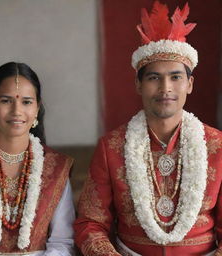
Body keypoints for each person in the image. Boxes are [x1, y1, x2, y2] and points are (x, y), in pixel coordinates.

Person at [74, 1, 222, 255]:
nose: (166, 88)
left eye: (175, 77)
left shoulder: (217, 145)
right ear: (139, 85)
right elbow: (90, 223)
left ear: (190, 84)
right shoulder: (111, 147)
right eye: (154, 77)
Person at [0, 62, 75, 255]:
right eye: (6, 101)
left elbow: (62, 241)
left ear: (37, 108)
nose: (17, 111)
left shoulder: (56, 166)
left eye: (26, 102)